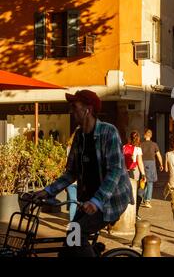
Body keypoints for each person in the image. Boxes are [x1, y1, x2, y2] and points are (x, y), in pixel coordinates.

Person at [31, 90, 134, 257]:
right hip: (89, 200)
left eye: (74, 107)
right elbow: (71, 172)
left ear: (88, 109)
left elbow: (115, 170)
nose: (71, 111)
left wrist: (97, 201)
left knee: (78, 234)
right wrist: (47, 191)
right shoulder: (79, 136)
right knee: (68, 248)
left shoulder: (109, 132)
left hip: (110, 200)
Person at [123, 131, 146, 220]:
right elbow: (139, 162)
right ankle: (134, 213)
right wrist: (143, 174)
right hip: (134, 171)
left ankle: (125, 211)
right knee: (134, 192)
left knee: (126, 191)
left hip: (125, 172)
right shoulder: (137, 149)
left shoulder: (124, 147)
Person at [140, 129, 163, 208]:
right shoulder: (154, 145)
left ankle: (142, 197)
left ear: (144, 135)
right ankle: (147, 200)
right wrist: (161, 164)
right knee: (150, 183)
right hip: (151, 164)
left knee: (144, 181)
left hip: (142, 163)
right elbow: (159, 155)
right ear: (151, 136)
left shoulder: (141, 145)